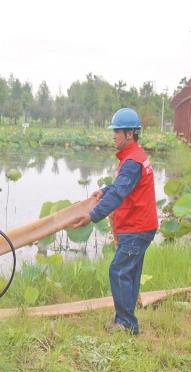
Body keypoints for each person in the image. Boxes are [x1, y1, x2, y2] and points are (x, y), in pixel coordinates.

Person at [70, 107, 158, 335]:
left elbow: (119, 193)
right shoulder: (135, 157)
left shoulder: (131, 162)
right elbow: (121, 186)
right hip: (142, 226)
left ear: (129, 133)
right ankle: (127, 322)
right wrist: (103, 190)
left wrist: (92, 216)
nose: (113, 135)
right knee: (129, 273)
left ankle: (125, 323)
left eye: (117, 131)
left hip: (136, 228)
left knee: (118, 271)